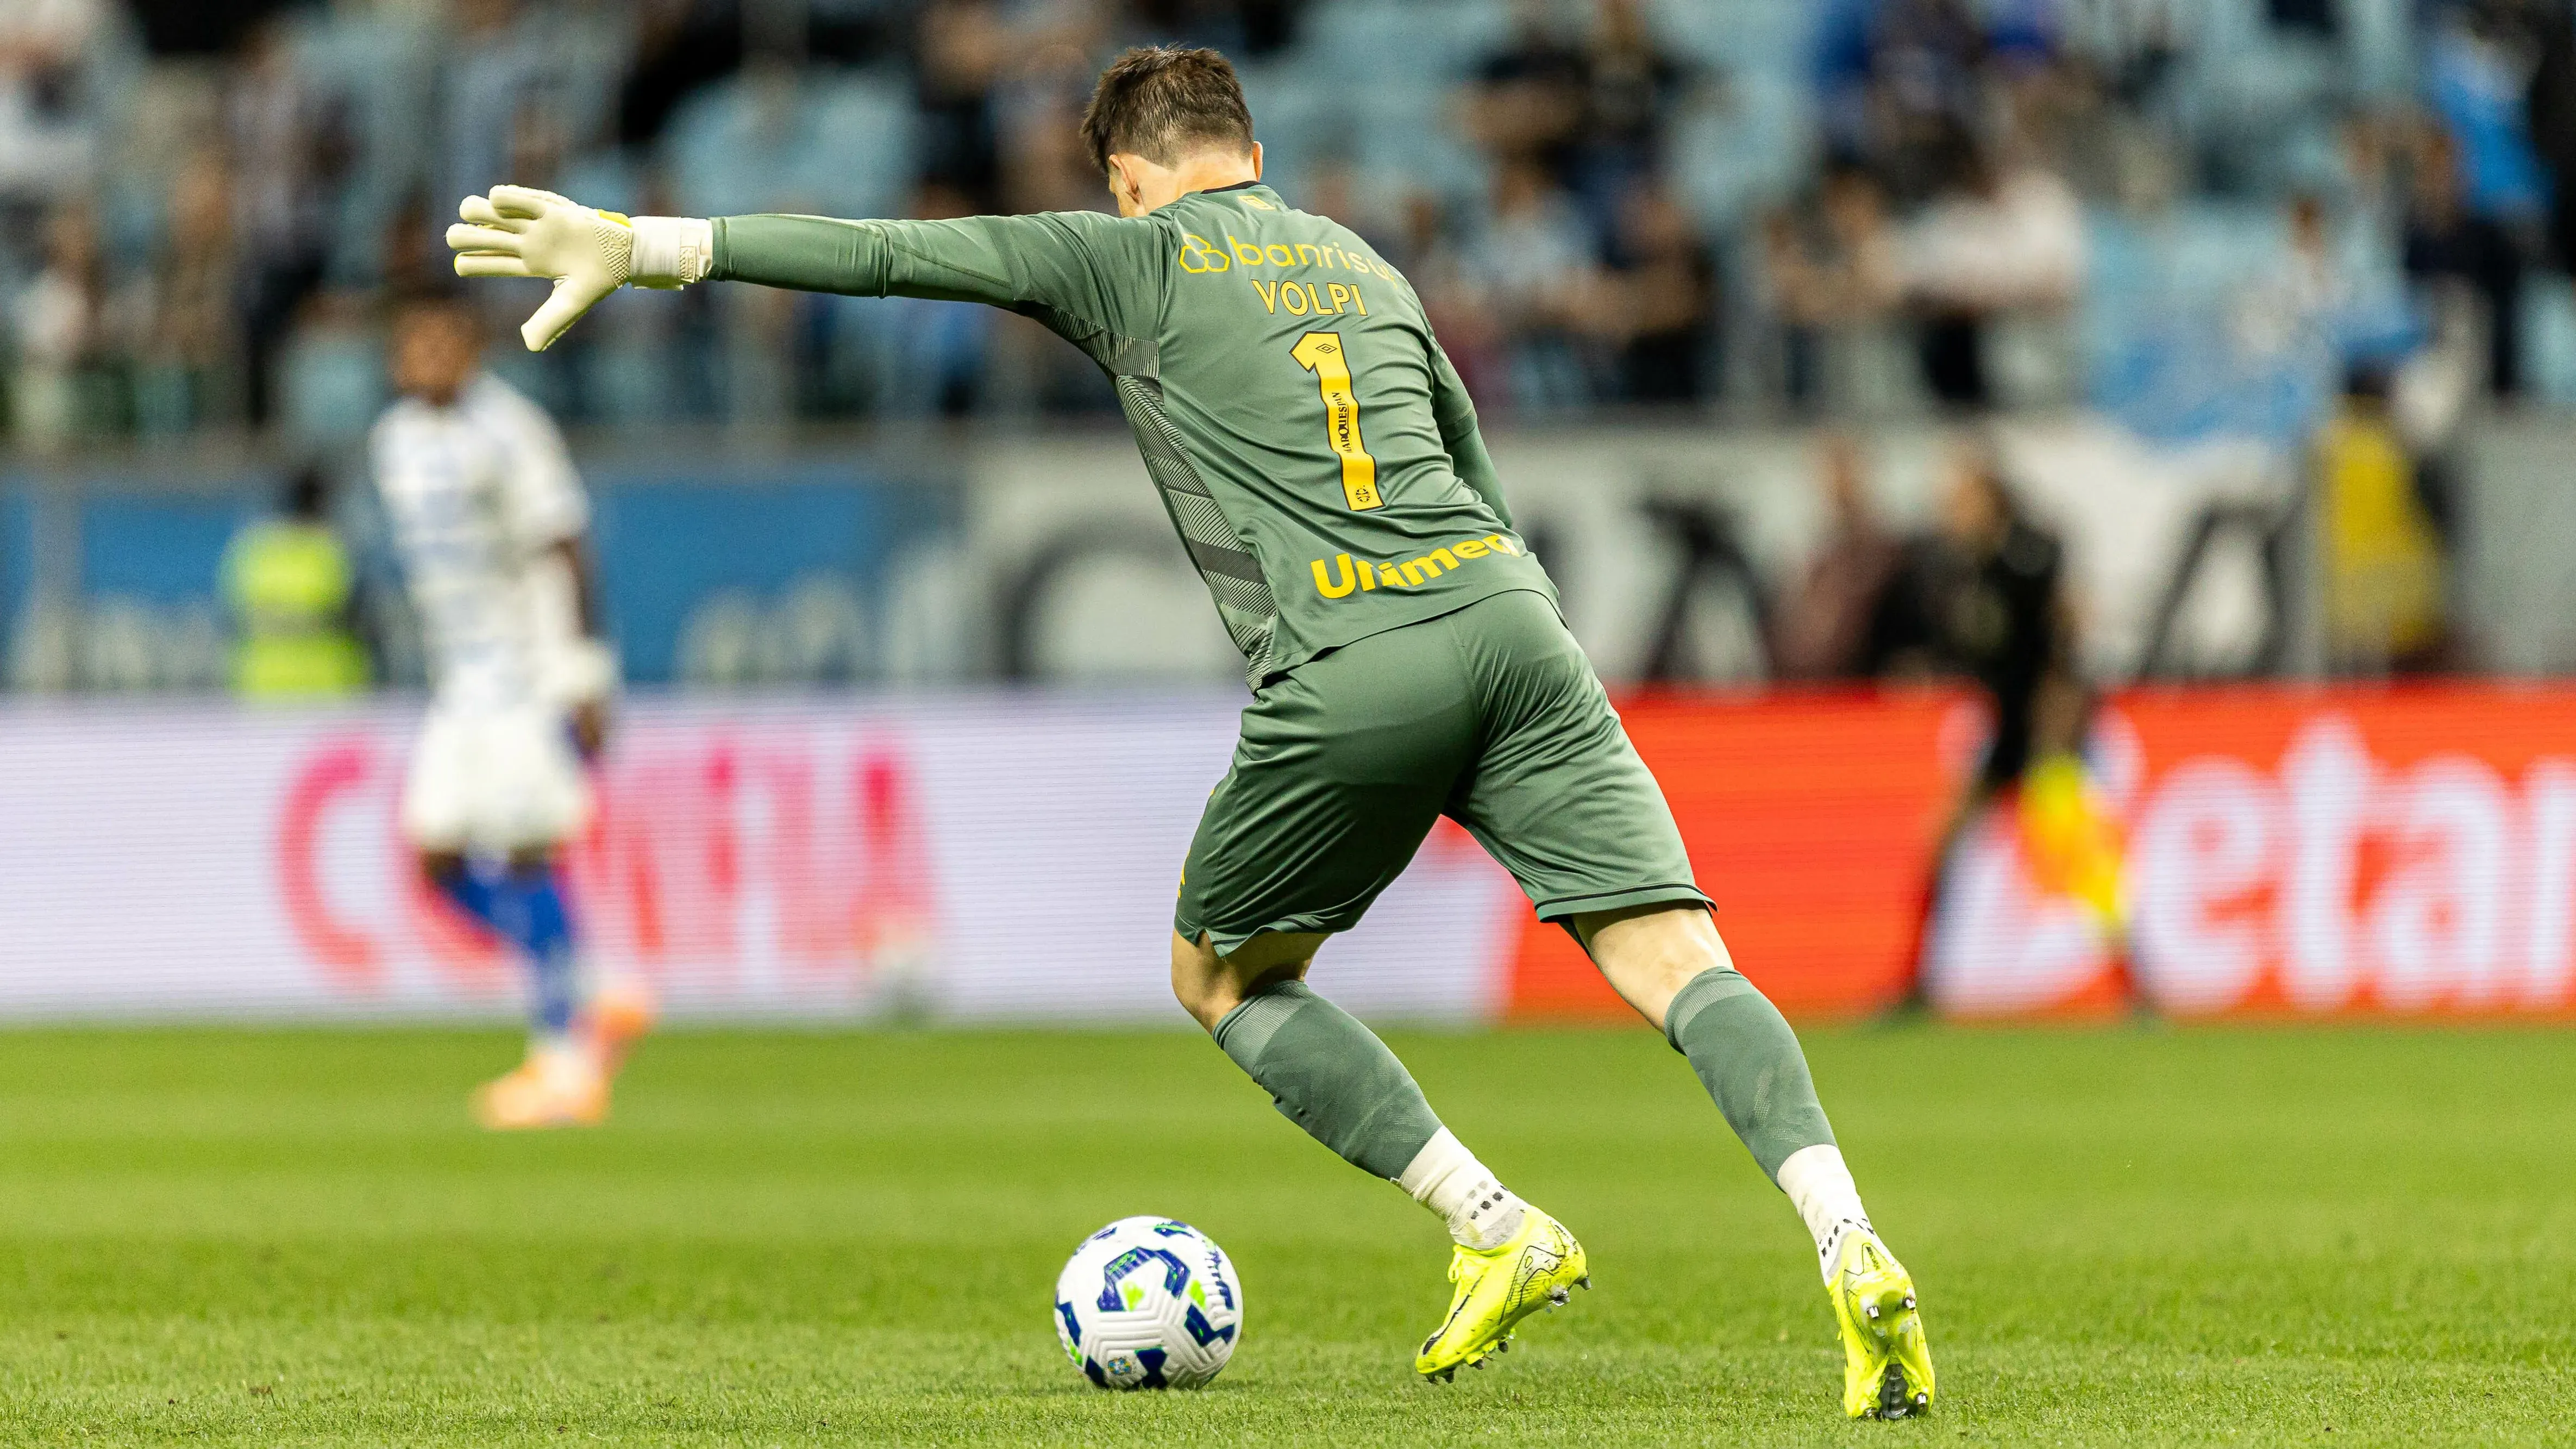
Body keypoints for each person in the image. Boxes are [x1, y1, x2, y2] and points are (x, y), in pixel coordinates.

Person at [442, 46, 1935, 1418]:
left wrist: (641, 245)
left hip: (1351, 655)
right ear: (1253, 147)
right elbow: (1475, 473)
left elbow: (895, 256)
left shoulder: (1128, 257)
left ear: (1130, 177)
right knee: (1680, 961)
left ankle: (1499, 1227)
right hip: (1513, 628)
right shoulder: (1363, 263)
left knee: (1218, 973)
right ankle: (1848, 1235)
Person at [370, 292, 653, 1129]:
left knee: (530, 858)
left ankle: (563, 1062)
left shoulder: (513, 431)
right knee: (435, 860)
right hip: (460, 685)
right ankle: (598, 990)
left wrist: (585, 676)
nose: (428, 354)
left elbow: (568, 548)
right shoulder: (393, 442)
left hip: (527, 680)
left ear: (473, 347)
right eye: (412, 339)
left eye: (443, 338)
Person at [222, 464, 369, 701]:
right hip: (327, 686)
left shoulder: (254, 548)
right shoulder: (332, 549)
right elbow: (356, 617)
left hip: (263, 685)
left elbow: (236, 616)